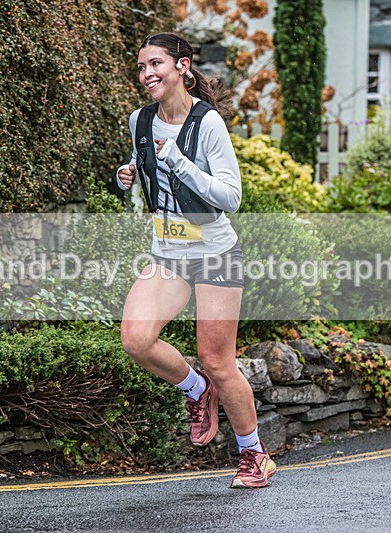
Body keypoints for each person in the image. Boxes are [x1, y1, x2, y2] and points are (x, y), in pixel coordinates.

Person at [115, 33, 276, 489]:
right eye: (142, 66)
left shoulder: (207, 125)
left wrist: (181, 163)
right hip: (167, 253)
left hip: (214, 254)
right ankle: (196, 389)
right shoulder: (138, 120)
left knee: (218, 359)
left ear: (182, 66)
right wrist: (128, 174)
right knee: (136, 339)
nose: (147, 74)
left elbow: (232, 196)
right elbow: (143, 163)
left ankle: (254, 455)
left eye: (156, 64)